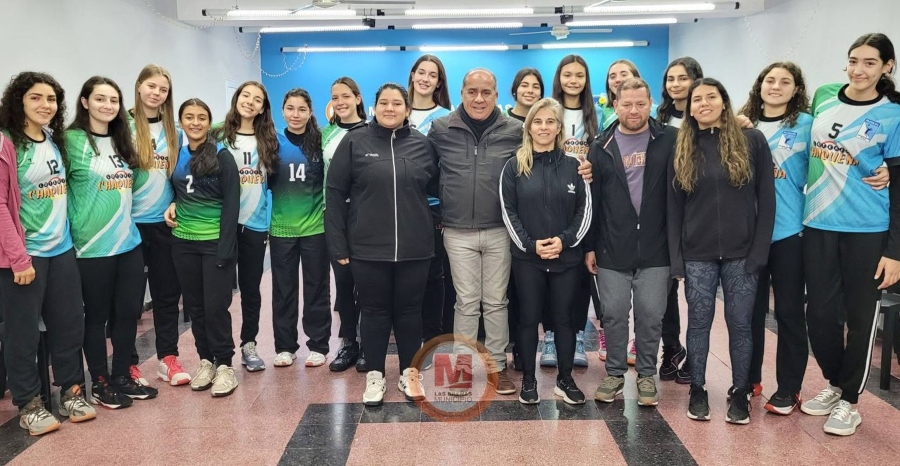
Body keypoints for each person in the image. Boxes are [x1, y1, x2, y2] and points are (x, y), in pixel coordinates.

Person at [428, 68, 593, 396]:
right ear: (461, 93)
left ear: (497, 95)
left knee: (495, 302)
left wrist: (585, 165)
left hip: (500, 230)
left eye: (486, 92)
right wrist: (442, 208)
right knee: (466, 302)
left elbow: (541, 156)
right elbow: (427, 171)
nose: (479, 98)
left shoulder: (514, 129)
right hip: (458, 230)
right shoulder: (441, 128)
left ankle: (497, 369)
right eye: (472, 91)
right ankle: (461, 371)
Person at [800, 33, 900, 436]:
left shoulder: (894, 112)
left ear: (887, 67)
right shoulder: (823, 95)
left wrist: (895, 251)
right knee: (820, 314)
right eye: (853, 60)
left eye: (870, 63)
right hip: (818, 222)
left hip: (867, 230)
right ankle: (836, 382)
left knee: (861, 318)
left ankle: (850, 401)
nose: (859, 70)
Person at [668, 78, 775, 425]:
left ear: (724, 102)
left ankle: (740, 392)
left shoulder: (752, 141)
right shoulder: (683, 147)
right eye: (696, 99)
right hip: (696, 253)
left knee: (740, 324)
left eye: (710, 97)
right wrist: (676, 257)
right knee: (698, 323)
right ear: (689, 107)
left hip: (742, 253)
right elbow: (674, 208)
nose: (703, 103)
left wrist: (759, 251)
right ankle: (697, 390)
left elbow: (767, 200)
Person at [326, 83, 438, 406]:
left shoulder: (421, 144)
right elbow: (334, 194)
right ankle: (375, 375)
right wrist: (339, 244)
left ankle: (409, 373)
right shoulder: (354, 142)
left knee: (409, 312)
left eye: (397, 103)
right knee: (374, 311)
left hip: (415, 248)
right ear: (374, 106)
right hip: (367, 248)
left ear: (407, 109)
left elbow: (438, 186)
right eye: (384, 102)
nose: (391, 108)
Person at [0, 72, 95, 435]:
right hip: (25, 256)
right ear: (19, 102)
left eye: (51, 99)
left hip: (61, 251)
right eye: (36, 98)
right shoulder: (7, 144)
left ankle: (71, 392)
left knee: (69, 325)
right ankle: (29, 403)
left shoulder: (53, 141)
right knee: (22, 334)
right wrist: (18, 258)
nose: (45, 105)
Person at [587, 78, 676, 407]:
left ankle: (647, 375)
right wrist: (590, 246)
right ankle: (613, 374)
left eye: (641, 103)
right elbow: (593, 202)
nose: (634, 110)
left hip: (657, 248)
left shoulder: (670, 139)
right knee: (612, 313)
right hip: (612, 247)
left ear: (651, 102)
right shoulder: (601, 146)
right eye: (627, 104)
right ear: (614, 105)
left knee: (651, 314)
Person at [65, 76, 152, 406]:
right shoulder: (70, 140)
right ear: (85, 102)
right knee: (97, 317)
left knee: (128, 313)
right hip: (91, 246)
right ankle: (99, 382)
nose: (108, 105)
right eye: (100, 99)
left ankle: (121, 375)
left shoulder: (121, 140)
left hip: (127, 242)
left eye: (113, 100)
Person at [500, 97, 591, 405]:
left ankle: (565, 380)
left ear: (558, 127)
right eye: (537, 121)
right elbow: (508, 211)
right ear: (529, 127)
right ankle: (528, 381)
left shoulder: (574, 166)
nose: (543, 127)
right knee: (527, 319)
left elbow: (585, 211)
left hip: (566, 259)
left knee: (564, 320)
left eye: (550, 121)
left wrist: (564, 241)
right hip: (528, 259)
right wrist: (531, 244)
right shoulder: (514, 166)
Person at [165, 98, 240, 397]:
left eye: (201, 117)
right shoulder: (177, 156)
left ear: (210, 123)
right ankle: (206, 361)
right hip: (183, 243)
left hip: (214, 245)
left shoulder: (222, 157)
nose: (195, 122)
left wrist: (225, 248)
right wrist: (171, 203)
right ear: (181, 121)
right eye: (188, 117)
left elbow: (231, 205)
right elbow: (174, 191)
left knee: (215, 307)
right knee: (195, 307)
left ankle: (225, 365)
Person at [212, 81, 278, 371]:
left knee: (251, 289)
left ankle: (248, 345)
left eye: (257, 99)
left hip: (254, 225)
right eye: (245, 96)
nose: (250, 102)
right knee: (221, 291)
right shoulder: (217, 136)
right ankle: (219, 350)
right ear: (236, 99)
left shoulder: (269, 140)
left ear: (263, 107)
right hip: (222, 225)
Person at [128, 64, 187, 387]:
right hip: (128, 227)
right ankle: (128, 364)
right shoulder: (122, 127)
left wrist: (177, 200)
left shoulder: (173, 131)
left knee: (167, 295)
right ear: (138, 87)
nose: (156, 93)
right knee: (129, 301)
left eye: (163, 89)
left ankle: (168, 358)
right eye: (151, 86)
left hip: (165, 224)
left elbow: (179, 175)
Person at [269, 88, 331, 368]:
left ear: (310, 112)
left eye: (302, 109)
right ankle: (285, 347)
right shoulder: (272, 142)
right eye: (290, 108)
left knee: (317, 287)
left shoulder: (319, 141)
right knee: (283, 290)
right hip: (281, 228)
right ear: (283, 111)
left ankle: (318, 345)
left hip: (315, 228)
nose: (296, 115)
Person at [657, 56, 704, 384]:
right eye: (670, 79)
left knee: (698, 290)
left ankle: (696, 355)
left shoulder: (704, 116)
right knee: (666, 288)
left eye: (682, 78)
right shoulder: (658, 118)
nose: (675, 84)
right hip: (664, 213)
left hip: (697, 212)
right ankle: (671, 348)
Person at [550, 55, 596, 368]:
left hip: (584, 199)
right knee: (551, 271)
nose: (573, 80)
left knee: (580, 274)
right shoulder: (549, 109)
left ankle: (578, 336)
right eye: (568, 74)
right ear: (559, 78)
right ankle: (551, 336)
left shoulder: (598, 114)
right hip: (552, 199)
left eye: (579, 75)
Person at [407, 55, 451, 358]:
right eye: (421, 72)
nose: (425, 78)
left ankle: (432, 335)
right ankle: (406, 333)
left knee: (434, 275)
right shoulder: (396, 109)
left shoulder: (446, 117)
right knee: (405, 274)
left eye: (431, 75)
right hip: (398, 207)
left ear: (438, 82)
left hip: (432, 206)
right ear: (412, 75)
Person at [324, 77, 368, 373]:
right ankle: (348, 342)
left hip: (366, 217)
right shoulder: (325, 134)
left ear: (357, 97)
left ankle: (368, 344)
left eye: (345, 96)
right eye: (335, 97)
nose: (340, 102)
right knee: (343, 285)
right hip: (335, 216)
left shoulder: (371, 132)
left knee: (368, 286)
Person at [600, 59, 658, 130]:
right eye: (612, 77)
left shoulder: (656, 111)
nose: (618, 79)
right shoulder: (600, 112)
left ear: (636, 78)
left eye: (624, 75)